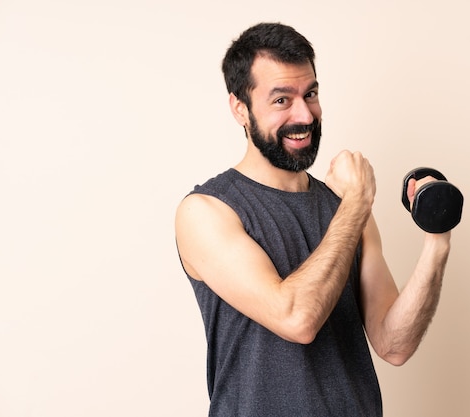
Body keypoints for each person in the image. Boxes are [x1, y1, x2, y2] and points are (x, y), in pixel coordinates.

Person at [175, 22, 451, 417]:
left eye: (311, 94)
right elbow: (296, 319)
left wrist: (437, 238)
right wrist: (356, 204)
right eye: (281, 100)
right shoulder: (206, 212)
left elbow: (394, 344)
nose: (305, 114)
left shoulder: (346, 209)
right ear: (240, 108)